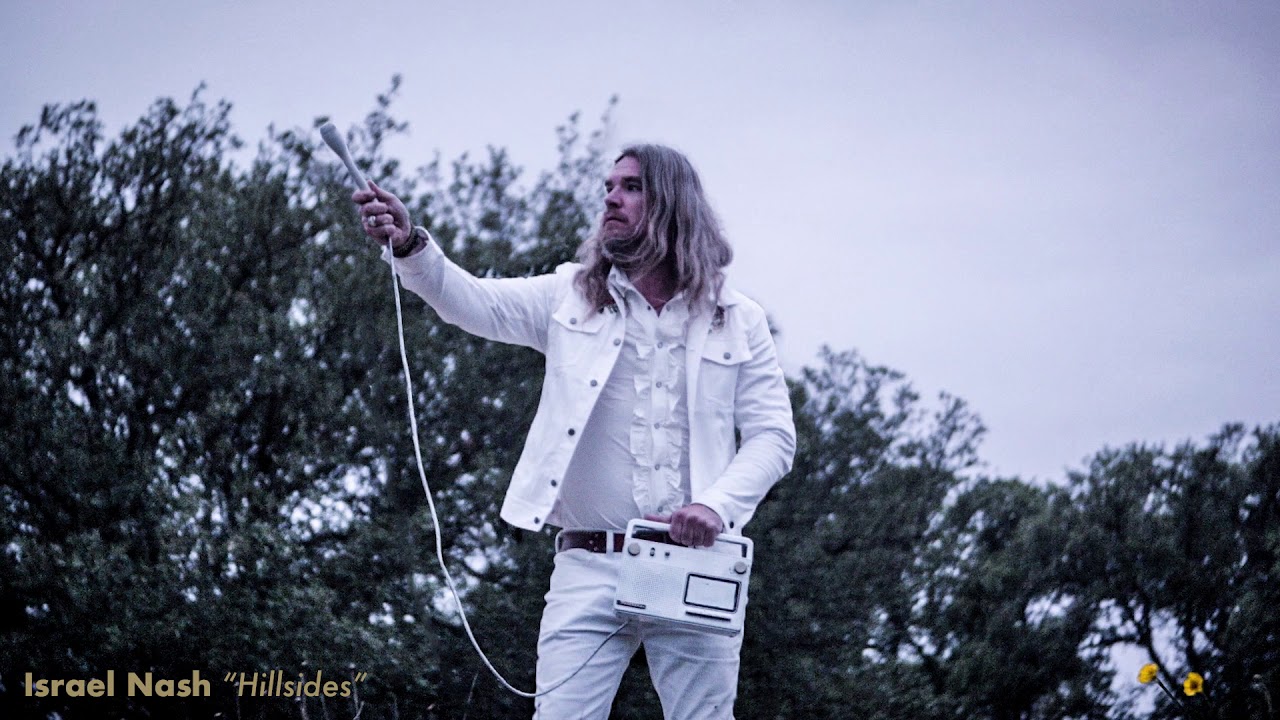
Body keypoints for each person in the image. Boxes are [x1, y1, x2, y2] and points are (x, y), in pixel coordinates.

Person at [353, 144, 795, 719]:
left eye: (631, 187)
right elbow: (472, 302)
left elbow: (773, 435)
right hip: (589, 562)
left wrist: (717, 506)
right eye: (608, 187)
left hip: (696, 563)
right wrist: (411, 244)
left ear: (673, 203)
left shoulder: (737, 318)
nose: (611, 198)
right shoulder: (570, 295)